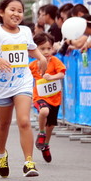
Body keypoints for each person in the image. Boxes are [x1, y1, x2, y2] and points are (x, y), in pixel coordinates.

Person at [0, 0, 47, 178]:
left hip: (22, 82)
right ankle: (1, 154)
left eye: (20, 10)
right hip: (2, 86)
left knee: (24, 121)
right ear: (2, 12)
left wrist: (41, 57)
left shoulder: (25, 31)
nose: (16, 13)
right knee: (3, 123)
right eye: (12, 9)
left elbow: (30, 48)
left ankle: (29, 162)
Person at [29, 33, 66, 163]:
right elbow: (25, 75)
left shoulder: (55, 61)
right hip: (39, 97)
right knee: (44, 111)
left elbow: (62, 73)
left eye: (49, 48)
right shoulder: (33, 65)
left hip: (55, 98)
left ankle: (46, 145)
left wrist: (52, 77)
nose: (46, 51)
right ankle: (41, 133)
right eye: (42, 49)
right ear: (36, 50)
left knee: (51, 125)